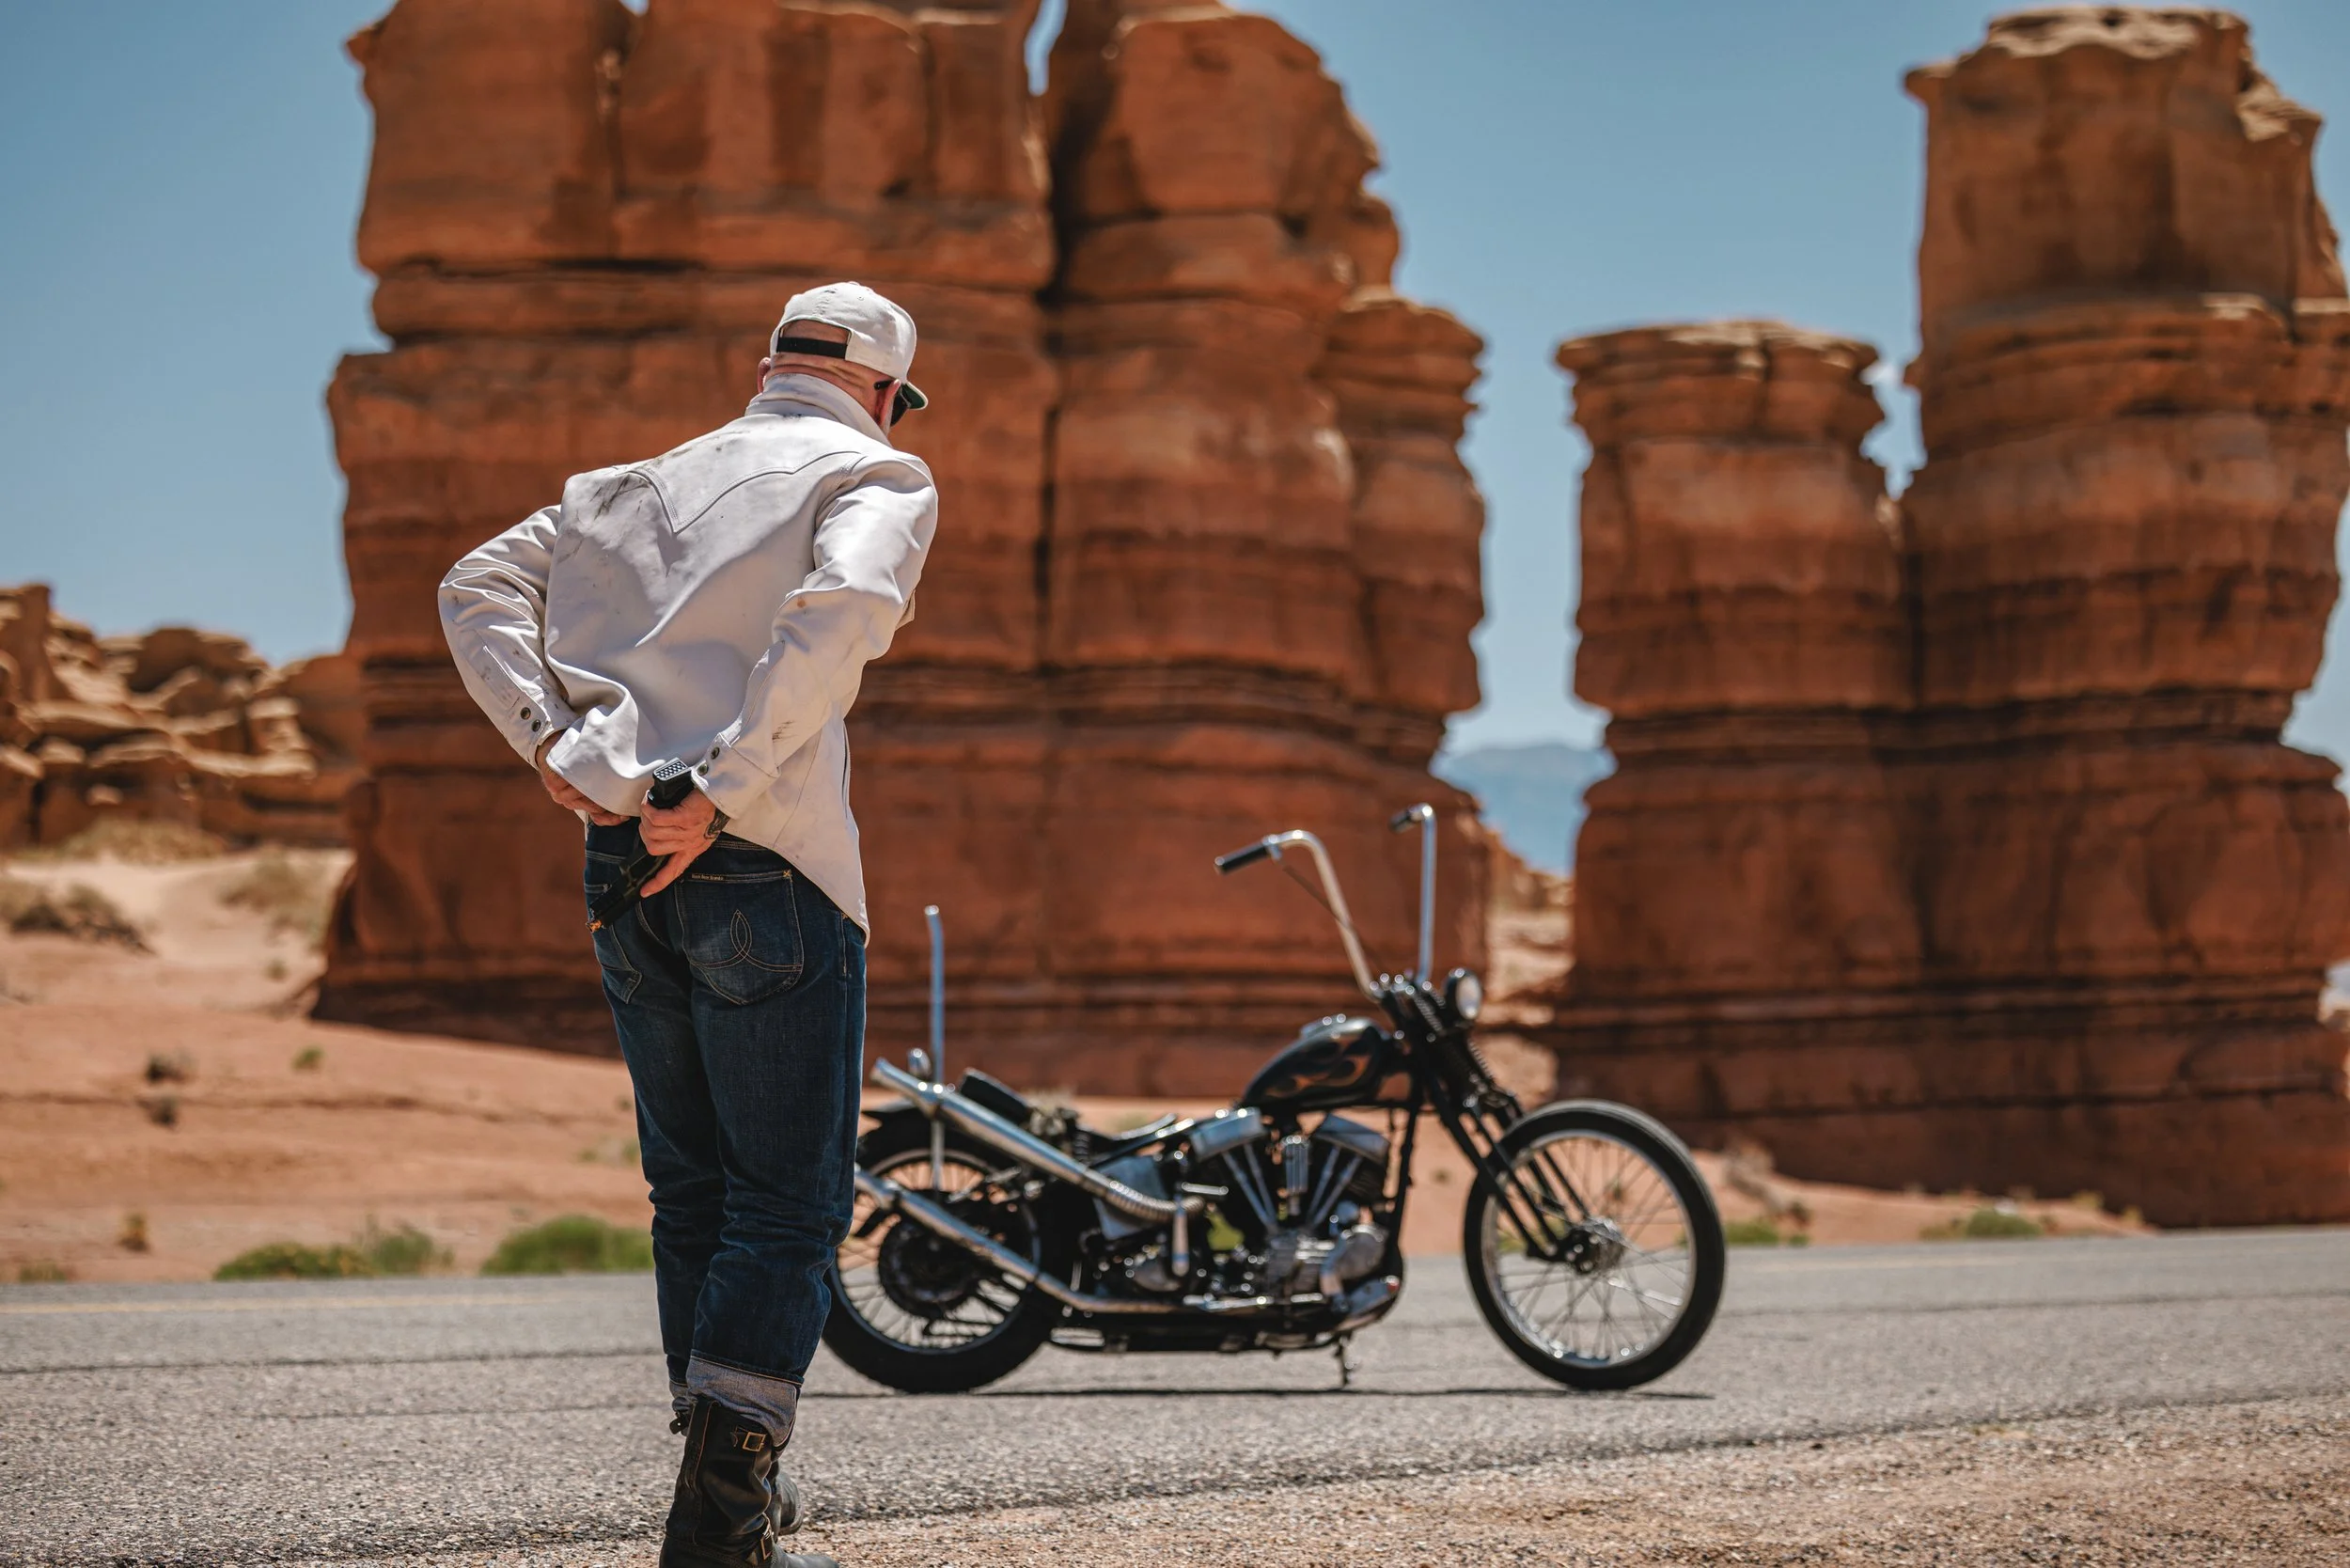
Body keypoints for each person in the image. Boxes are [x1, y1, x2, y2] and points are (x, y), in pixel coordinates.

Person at [439, 282, 938, 1568]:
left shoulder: (618, 490)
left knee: (695, 1194)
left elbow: (473, 585)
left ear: (768, 369)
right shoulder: (876, 472)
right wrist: (722, 787)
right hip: (765, 857)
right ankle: (722, 1529)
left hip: (621, 862)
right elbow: (842, 613)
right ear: (883, 389)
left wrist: (556, 745)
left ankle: (735, 1507)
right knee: (788, 1208)